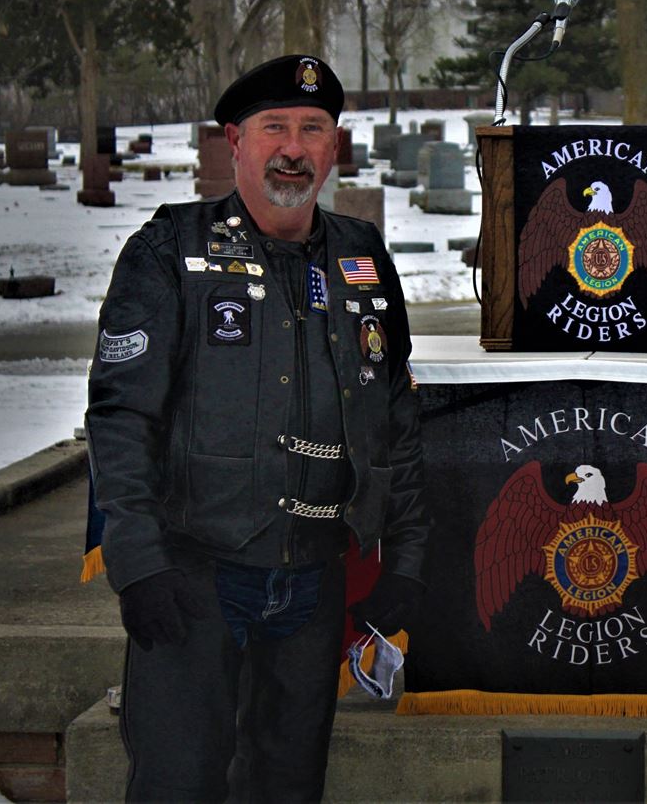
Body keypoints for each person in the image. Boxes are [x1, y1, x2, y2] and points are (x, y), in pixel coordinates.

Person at [85, 54, 429, 802]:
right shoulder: (167, 251)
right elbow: (120, 420)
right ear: (233, 141)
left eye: (313, 129)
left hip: (312, 581)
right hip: (195, 578)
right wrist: (139, 564)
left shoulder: (362, 256)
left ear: (334, 147)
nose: (294, 148)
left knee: (286, 785)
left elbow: (394, 423)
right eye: (275, 127)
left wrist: (403, 559)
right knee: (179, 781)